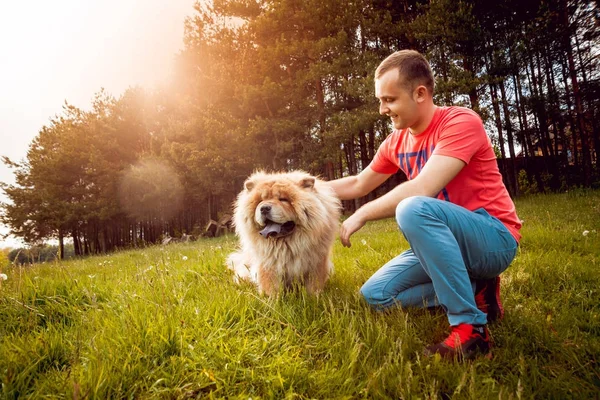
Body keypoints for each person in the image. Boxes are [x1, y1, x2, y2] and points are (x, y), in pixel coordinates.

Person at [327, 50, 521, 359]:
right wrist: (299, 188)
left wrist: (362, 213)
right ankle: (476, 291)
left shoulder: (460, 122)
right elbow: (358, 183)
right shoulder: (396, 142)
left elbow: (423, 187)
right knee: (375, 296)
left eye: (389, 99)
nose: (382, 109)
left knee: (412, 207)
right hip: (444, 243)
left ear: (420, 93)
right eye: (381, 100)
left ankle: (471, 331)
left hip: (493, 238)